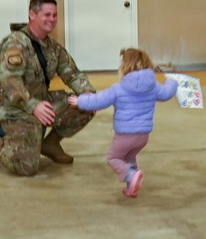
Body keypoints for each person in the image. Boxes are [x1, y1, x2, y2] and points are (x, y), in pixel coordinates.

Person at [0, 0, 97, 176]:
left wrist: (88, 93)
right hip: (14, 107)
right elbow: (10, 81)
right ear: (32, 15)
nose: (52, 19)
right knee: (26, 167)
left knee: (85, 105)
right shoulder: (15, 44)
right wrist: (33, 106)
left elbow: (73, 73)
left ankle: (50, 144)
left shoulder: (53, 48)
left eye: (55, 15)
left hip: (40, 102)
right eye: (47, 15)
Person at [68, 48, 176, 197]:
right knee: (129, 158)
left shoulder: (119, 88)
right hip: (143, 136)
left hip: (125, 135)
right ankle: (132, 186)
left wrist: (79, 101)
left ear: (125, 67)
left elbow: (99, 100)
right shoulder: (153, 86)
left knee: (114, 158)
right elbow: (166, 93)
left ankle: (132, 177)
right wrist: (172, 82)